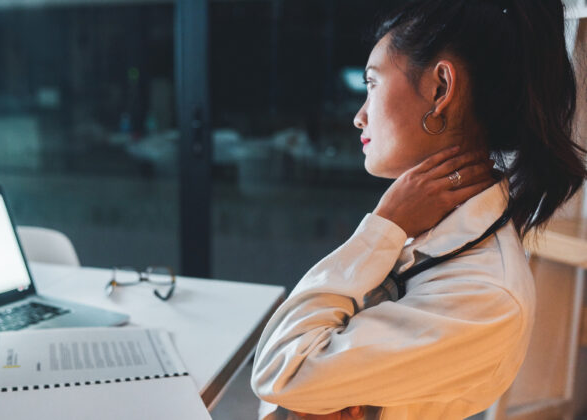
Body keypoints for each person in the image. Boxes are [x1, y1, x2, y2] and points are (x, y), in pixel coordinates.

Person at [250, 0, 587, 419]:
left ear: (441, 89)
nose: (359, 117)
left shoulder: (486, 296)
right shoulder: (428, 225)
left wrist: (382, 226)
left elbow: (280, 372)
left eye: (371, 84)